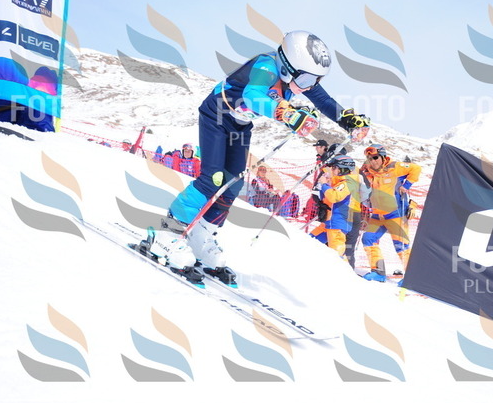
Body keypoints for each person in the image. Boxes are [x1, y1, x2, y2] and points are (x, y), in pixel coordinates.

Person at [147, 30, 370, 286]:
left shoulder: (299, 79)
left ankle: (201, 236)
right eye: (307, 78)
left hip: (240, 126)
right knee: (212, 178)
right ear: (287, 65)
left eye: (316, 80)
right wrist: (286, 113)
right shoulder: (266, 66)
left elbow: (324, 101)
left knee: (232, 185)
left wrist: (348, 120)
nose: (309, 86)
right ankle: (168, 234)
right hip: (217, 117)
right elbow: (253, 95)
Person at [360, 144, 421, 282]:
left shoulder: (394, 167)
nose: (373, 161)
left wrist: (406, 185)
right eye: (370, 158)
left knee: (401, 246)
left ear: (382, 156)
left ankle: (413, 278)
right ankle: (378, 272)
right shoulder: (368, 171)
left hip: (395, 214)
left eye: (375, 157)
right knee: (368, 239)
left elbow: (416, 168)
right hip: (377, 215)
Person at [310, 155, 356, 260]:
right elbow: (327, 197)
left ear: (343, 169)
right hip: (329, 223)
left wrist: (324, 185)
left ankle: (342, 270)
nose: (332, 170)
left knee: (336, 256)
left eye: (335, 167)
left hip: (337, 225)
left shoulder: (348, 183)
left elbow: (334, 197)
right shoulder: (338, 182)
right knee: (309, 242)